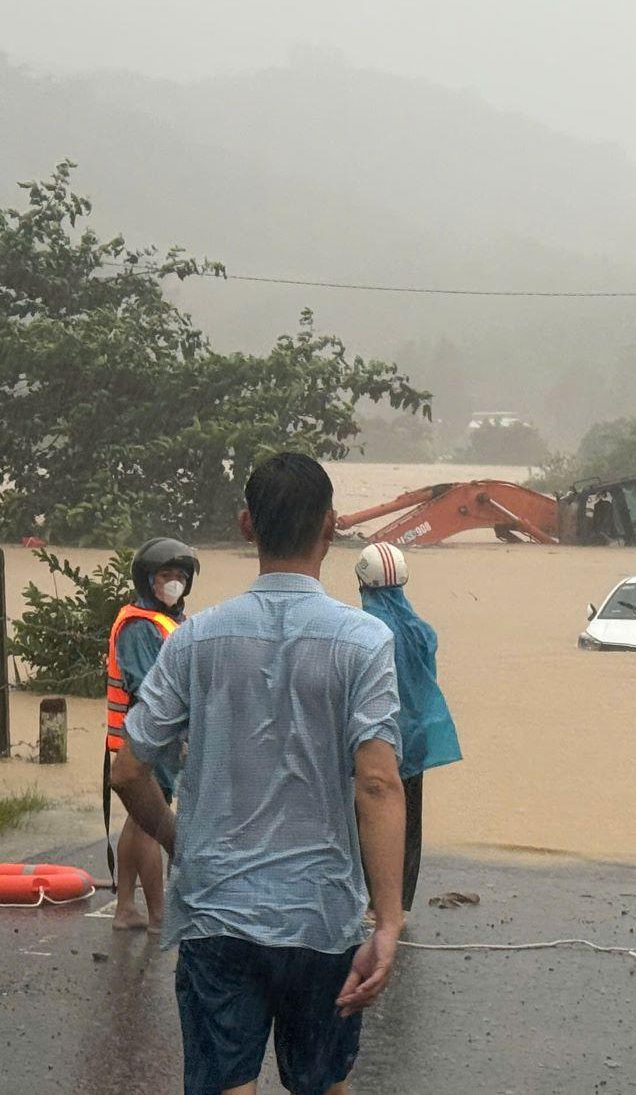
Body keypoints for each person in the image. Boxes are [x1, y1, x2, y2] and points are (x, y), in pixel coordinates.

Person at [110, 452, 406, 1095]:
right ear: (330, 526)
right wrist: (387, 922)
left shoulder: (193, 640)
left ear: (247, 526)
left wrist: (178, 841)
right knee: (324, 1084)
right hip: (322, 917)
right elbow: (379, 783)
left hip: (217, 913)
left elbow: (129, 766)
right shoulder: (364, 642)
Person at [355, 541, 462, 914]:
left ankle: (373, 906)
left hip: (378, 740)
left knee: (371, 819)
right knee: (409, 822)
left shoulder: (365, 630)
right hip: (416, 738)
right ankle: (399, 906)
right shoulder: (422, 630)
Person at [104, 536, 198, 932]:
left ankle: (125, 908)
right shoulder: (140, 626)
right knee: (150, 822)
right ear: (148, 580)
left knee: (136, 822)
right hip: (146, 741)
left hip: (149, 739)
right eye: (166, 575)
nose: (174, 582)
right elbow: (149, 688)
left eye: (180, 575)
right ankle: (159, 914)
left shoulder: (167, 622)